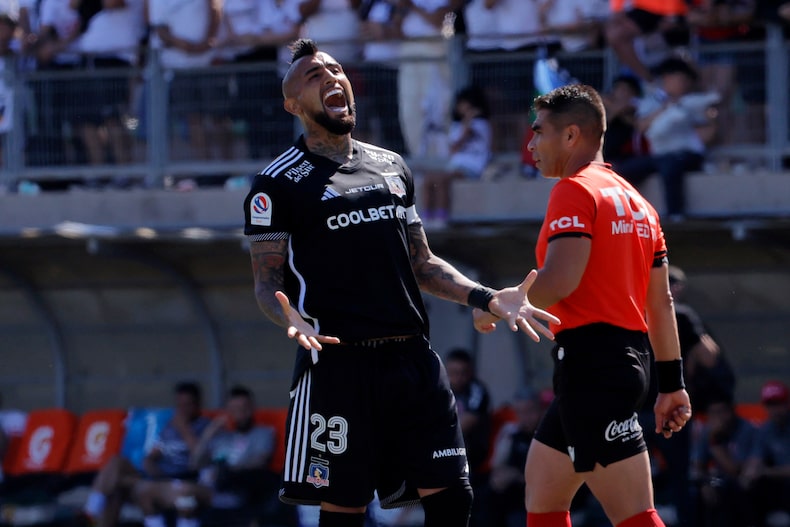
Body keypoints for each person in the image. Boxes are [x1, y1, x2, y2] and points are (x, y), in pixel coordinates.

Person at [242, 38, 558, 527]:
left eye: (335, 69)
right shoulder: (276, 184)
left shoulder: (392, 166)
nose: (330, 78)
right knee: (344, 511)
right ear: (292, 105)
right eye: (313, 76)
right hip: (338, 367)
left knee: (454, 499)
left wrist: (487, 297)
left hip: (412, 360)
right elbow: (267, 282)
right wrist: (289, 317)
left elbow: (424, 263)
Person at [473, 83, 692, 527]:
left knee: (635, 517)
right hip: (620, 365)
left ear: (571, 136)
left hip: (595, 369)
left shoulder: (574, 190)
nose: (530, 144)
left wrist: (496, 303)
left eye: (538, 132)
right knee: (543, 494)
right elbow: (661, 301)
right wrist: (671, 383)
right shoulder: (639, 203)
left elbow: (561, 280)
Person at [139, 385, 278, 527]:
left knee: (185, 495)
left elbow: (260, 462)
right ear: (229, 410)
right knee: (150, 492)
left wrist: (226, 469)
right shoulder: (223, 437)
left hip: (237, 490)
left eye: (244, 408)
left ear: (252, 408)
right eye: (235, 409)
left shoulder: (263, 433)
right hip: (210, 486)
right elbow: (195, 463)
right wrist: (208, 434)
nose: (240, 413)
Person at [82, 382, 211, 527]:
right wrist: (149, 461)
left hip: (179, 480)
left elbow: (200, 456)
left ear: (197, 404)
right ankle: (90, 512)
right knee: (116, 464)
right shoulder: (170, 427)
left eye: (187, 405)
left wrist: (184, 429)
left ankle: (92, 517)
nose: (182, 410)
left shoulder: (204, 426)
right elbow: (156, 451)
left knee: (119, 488)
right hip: (157, 476)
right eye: (179, 405)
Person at [613, 56, 720, 219]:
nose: (683, 83)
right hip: (658, 155)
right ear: (666, 79)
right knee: (622, 171)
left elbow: (708, 134)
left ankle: (675, 215)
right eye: (678, 79)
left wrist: (708, 119)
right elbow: (642, 126)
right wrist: (667, 108)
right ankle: (623, 217)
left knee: (670, 165)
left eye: (685, 80)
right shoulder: (652, 102)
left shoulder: (694, 102)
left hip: (687, 154)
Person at [421, 85, 492, 229]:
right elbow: (453, 149)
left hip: (472, 169)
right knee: (428, 179)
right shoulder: (456, 126)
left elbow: (463, 140)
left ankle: (441, 218)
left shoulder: (482, 124)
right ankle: (425, 218)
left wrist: (469, 120)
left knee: (441, 180)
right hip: (455, 166)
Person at [689, 393, 757, 527]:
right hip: (717, 481)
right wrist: (704, 483)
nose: (718, 417)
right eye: (713, 413)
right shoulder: (707, 431)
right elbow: (697, 465)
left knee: (730, 490)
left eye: (721, 412)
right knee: (694, 493)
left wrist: (714, 442)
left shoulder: (747, 429)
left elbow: (735, 470)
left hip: (742, 484)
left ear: (732, 411)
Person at [444, 348, 492, 527]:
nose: (459, 378)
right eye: (454, 373)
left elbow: (465, 424)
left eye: (463, 373)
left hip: (475, 460)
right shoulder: (439, 388)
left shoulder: (477, 390)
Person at [488, 388, 547, 527]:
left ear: (540, 411)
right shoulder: (512, 434)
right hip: (516, 498)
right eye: (520, 412)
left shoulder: (548, 436)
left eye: (529, 411)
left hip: (544, 496)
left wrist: (517, 475)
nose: (524, 417)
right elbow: (496, 466)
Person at [740, 380, 790, 527]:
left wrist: (765, 472)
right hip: (778, 487)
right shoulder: (766, 429)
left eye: (778, 404)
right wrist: (748, 475)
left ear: (787, 404)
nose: (775, 410)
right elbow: (756, 459)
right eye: (770, 405)